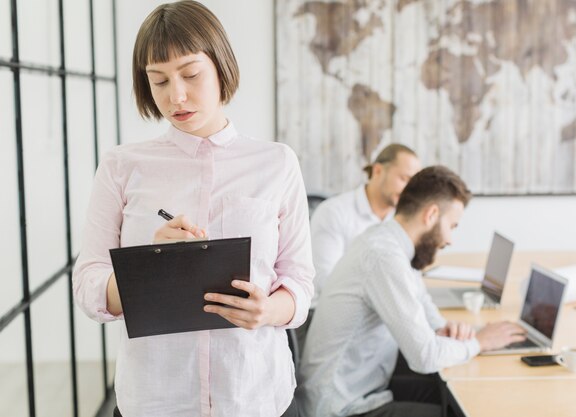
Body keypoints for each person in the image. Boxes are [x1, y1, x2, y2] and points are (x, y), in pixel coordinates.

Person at [72, 2, 314, 416]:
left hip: (252, 395)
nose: (176, 96)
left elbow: (300, 282)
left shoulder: (276, 163)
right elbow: (88, 288)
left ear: (220, 65)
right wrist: (150, 265)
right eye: (159, 80)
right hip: (155, 398)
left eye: (190, 74)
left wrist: (269, 309)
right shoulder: (121, 166)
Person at [296, 166, 526, 417]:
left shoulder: (390, 242)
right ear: (431, 215)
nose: (450, 239)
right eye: (452, 225)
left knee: (460, 398)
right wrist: (480, 342)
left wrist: (442, 328)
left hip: (364, 389)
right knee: (460, 409)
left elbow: (420, 300)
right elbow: (424, 357)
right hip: (343, 408)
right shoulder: (384, 256)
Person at [309, 144, 421, 309]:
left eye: (413, 184)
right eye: (404, 179)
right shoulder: (333, 212)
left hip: (382, 313)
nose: (408, 190)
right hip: (325, 313)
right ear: (377, 171)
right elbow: (325, 282)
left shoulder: (401, 220)